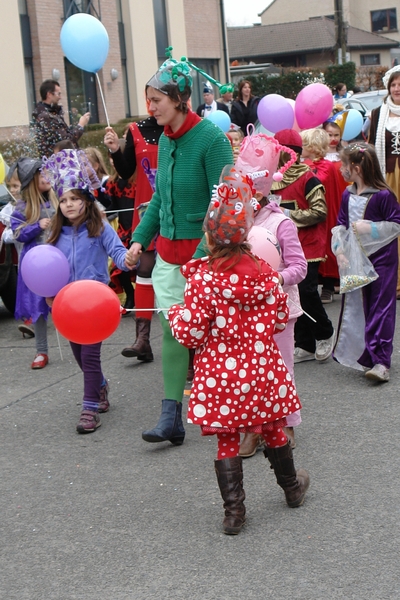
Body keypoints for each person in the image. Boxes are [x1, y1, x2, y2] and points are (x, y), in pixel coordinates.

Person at [168, 166, 310, 534]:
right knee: (274, 428)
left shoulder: (202, 279)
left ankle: (235, 513)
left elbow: (192, 333)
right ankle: (292, 489)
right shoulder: (264, 271)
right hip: (262, 367)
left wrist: (177, 316)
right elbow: (280, 317)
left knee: (228, 438)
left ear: (211, 237)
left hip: (221, 372)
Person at [126, 52, 233, 446]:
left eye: (156, 99)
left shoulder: (211, 139)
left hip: (207, 259)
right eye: (148, 98)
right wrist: (140, 239)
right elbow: (158, 200)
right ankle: (171, 416)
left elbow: (223, 203)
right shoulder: (166, 140)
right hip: (169, 256)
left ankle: (232, 412)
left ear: (179, 98)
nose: (150, 106)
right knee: (172, 332)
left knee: (216, 337)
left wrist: (205, 257)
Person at [44, 149, 137, 432]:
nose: (68, 205)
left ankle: (89, 409)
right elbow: (47, 269)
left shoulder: (100, 228)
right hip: (66, 306)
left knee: (89, 355)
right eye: (63, 200)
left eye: (74, 199)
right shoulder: (55, 234)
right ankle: (100, 387)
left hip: (95, 303)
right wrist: (48, 293)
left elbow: (118, 255)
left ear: (86, 200)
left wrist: (128, 259)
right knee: (78, 356)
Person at [234, 132, 308, 455]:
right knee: (249, 370)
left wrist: (276, 279)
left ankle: (287, 423)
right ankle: (253, 427)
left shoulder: (281, 223)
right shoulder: (235, 221)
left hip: (279, 310)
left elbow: (300, 267)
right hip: (246, 310)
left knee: (282, 367)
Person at [332, 143, 400, 382]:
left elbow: (395, 225)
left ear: (357, 168)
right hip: (357, 259)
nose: (341, 169)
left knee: (381, 307)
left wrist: (369, 228)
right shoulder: (347, 194)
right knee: (360, 305)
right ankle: (366, 354)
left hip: (382, 259)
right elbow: (340, 224)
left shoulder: (383, 195)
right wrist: (340, 250)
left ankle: (381, 361)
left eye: (344, 165)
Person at [104, 104, 164, 363]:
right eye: (152, 98)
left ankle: (190, 343)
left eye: (159, 97)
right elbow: (127, 171)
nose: (156, 103)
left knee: (185, 270)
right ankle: (143, 340)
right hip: (147, 208)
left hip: (178, 207)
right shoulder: (136, 130)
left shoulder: (185, 128)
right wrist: (115, 150)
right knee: (144, 269)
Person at [271, 129, 335, 364]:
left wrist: (289, 215)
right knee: (290, 295)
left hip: (308, 244)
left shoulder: (309, 178)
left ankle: (325, 332)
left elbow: (320, 212)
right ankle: (305, 343)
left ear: (293, 154)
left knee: (307, 291)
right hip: (283, 246)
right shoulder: (270, 179)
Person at [10, 157, 58, 368]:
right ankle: (41, 351)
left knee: (66, 301)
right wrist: (37, 226)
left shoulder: (60, 201)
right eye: (42, 175)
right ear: (31, 181)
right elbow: (18, 234)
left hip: (59, 259)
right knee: (39, 307)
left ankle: (82, 342)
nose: (47, 178)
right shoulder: (22, 209)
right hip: (36, 264)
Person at [301, 128, 344, 304]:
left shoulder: (325, 166)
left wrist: (306, 168)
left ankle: (328, 285)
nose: (300, 147)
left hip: (325, 214)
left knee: (327, 248)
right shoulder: (306, 164)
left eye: (303, 144)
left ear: (312, 147)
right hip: (311, 213)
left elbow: (320, 180)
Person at [368, 65, 400, 297]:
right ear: (388, 87)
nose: (398, 88)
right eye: (394, 84)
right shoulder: (378, 113)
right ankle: (394, 281)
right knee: (390, 225)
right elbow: (370, 147)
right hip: (387, 175)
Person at [0, 169, 34, 337]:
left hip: (41, 253)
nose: (12, 190)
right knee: (27, 288)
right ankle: (30, 320)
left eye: (16, 186)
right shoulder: (8, 209)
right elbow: (6, 236)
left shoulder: (36, 204)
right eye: (9, 186)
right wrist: (15, 232)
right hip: (23, 256)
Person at [106, 141, 136, 312]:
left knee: (147, 266)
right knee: (120, 265)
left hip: (138, 225)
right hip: (123, 229)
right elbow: (110, 205)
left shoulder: (138, 181)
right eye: (111, 157)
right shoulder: (112, 183)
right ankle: (130, 296)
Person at [31, 79, 90, 158]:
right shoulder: (45, 117)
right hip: (59, 163)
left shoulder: (50, 113)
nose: (60, 97)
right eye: (58, 94)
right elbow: (66, 142)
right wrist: (80, 125)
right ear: (49, 94)